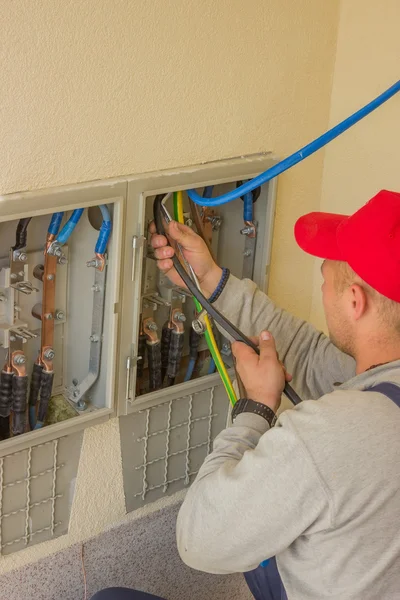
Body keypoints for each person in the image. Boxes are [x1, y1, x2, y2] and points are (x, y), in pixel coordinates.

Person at [150, 189, 400, 600]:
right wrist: (210, 278)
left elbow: (200, 540)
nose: (323, 290)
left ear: (355, 301)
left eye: (326, 279)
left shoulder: (329, 436)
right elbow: (311, 355)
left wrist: (255, 408)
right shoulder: (377, 383)